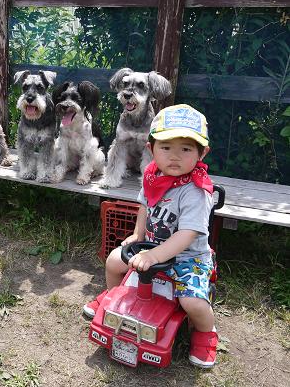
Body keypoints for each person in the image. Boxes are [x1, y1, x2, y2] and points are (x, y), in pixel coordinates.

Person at [85, 104, 218, 368]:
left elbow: (188, 234)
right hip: (150, 247)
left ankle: (206, 332)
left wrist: (154, 255)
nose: (175, 156)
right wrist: (137, 233)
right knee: (114, 261)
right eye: (166, 147)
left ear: (202, 153)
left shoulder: (195, 191)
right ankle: (113, 296)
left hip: (188, 258)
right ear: (151, 149)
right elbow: (145, 206)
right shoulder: (152, 176)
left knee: (191, 301)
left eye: (186, 149)